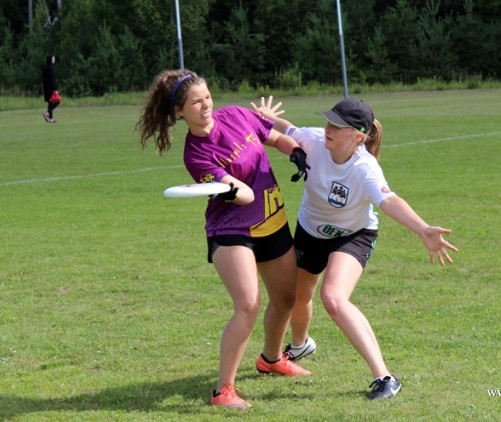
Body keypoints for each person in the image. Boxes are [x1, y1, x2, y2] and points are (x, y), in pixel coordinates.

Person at [251, 96, 459, 400]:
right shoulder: (314, 140)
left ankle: (385, 377)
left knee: (333, 298)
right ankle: (299, 345)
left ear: (358, 137)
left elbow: (389, 201)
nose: (328, 128)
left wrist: (423, 229)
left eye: (338, 126)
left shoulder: (364, 167)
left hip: (353, 234)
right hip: (310, 231)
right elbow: (287, 129)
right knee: (298, 297)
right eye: (329, 122)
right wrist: (268, 117)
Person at [136, 70, 312, 409]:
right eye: (195, 102)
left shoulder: (236, 115)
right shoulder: (196, 154)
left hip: (272, 220)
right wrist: (236, 189)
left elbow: (275, 137)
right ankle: (223, 391)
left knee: (286, 299)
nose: (205, 106)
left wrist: (295, 152)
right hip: (231, 230)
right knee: (247, 304)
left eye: (207, 97)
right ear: (179, 111)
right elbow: (243, 195)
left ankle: (271, 359)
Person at [42, 54, 59, 123]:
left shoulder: (44, 67)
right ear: (50, 60)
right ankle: (47, 113)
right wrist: (55, 89)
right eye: (53, 59)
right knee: (58, 101)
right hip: (51, 89)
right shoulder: (51, 68)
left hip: (46, 88)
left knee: (50, 103)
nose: (54, 60)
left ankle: (51, 119)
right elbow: (52, 79)